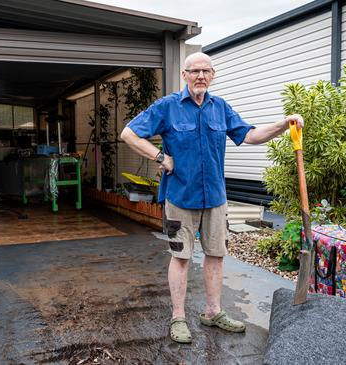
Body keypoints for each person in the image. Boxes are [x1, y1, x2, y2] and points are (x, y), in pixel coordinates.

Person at [120, 52, 304, 344]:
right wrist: (159, 156)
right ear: (184, 75)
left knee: (215, 255)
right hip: (180, 197)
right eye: (194, 71)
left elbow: (251, 135)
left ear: (213, 75)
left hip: (215, 198)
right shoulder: (168, 107)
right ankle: (178, 317)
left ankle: (213, 312)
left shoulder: (221, 108)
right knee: (180, 257)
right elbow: (129, 133)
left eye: (206, 71)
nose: (200, 76)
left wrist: (284, 125)